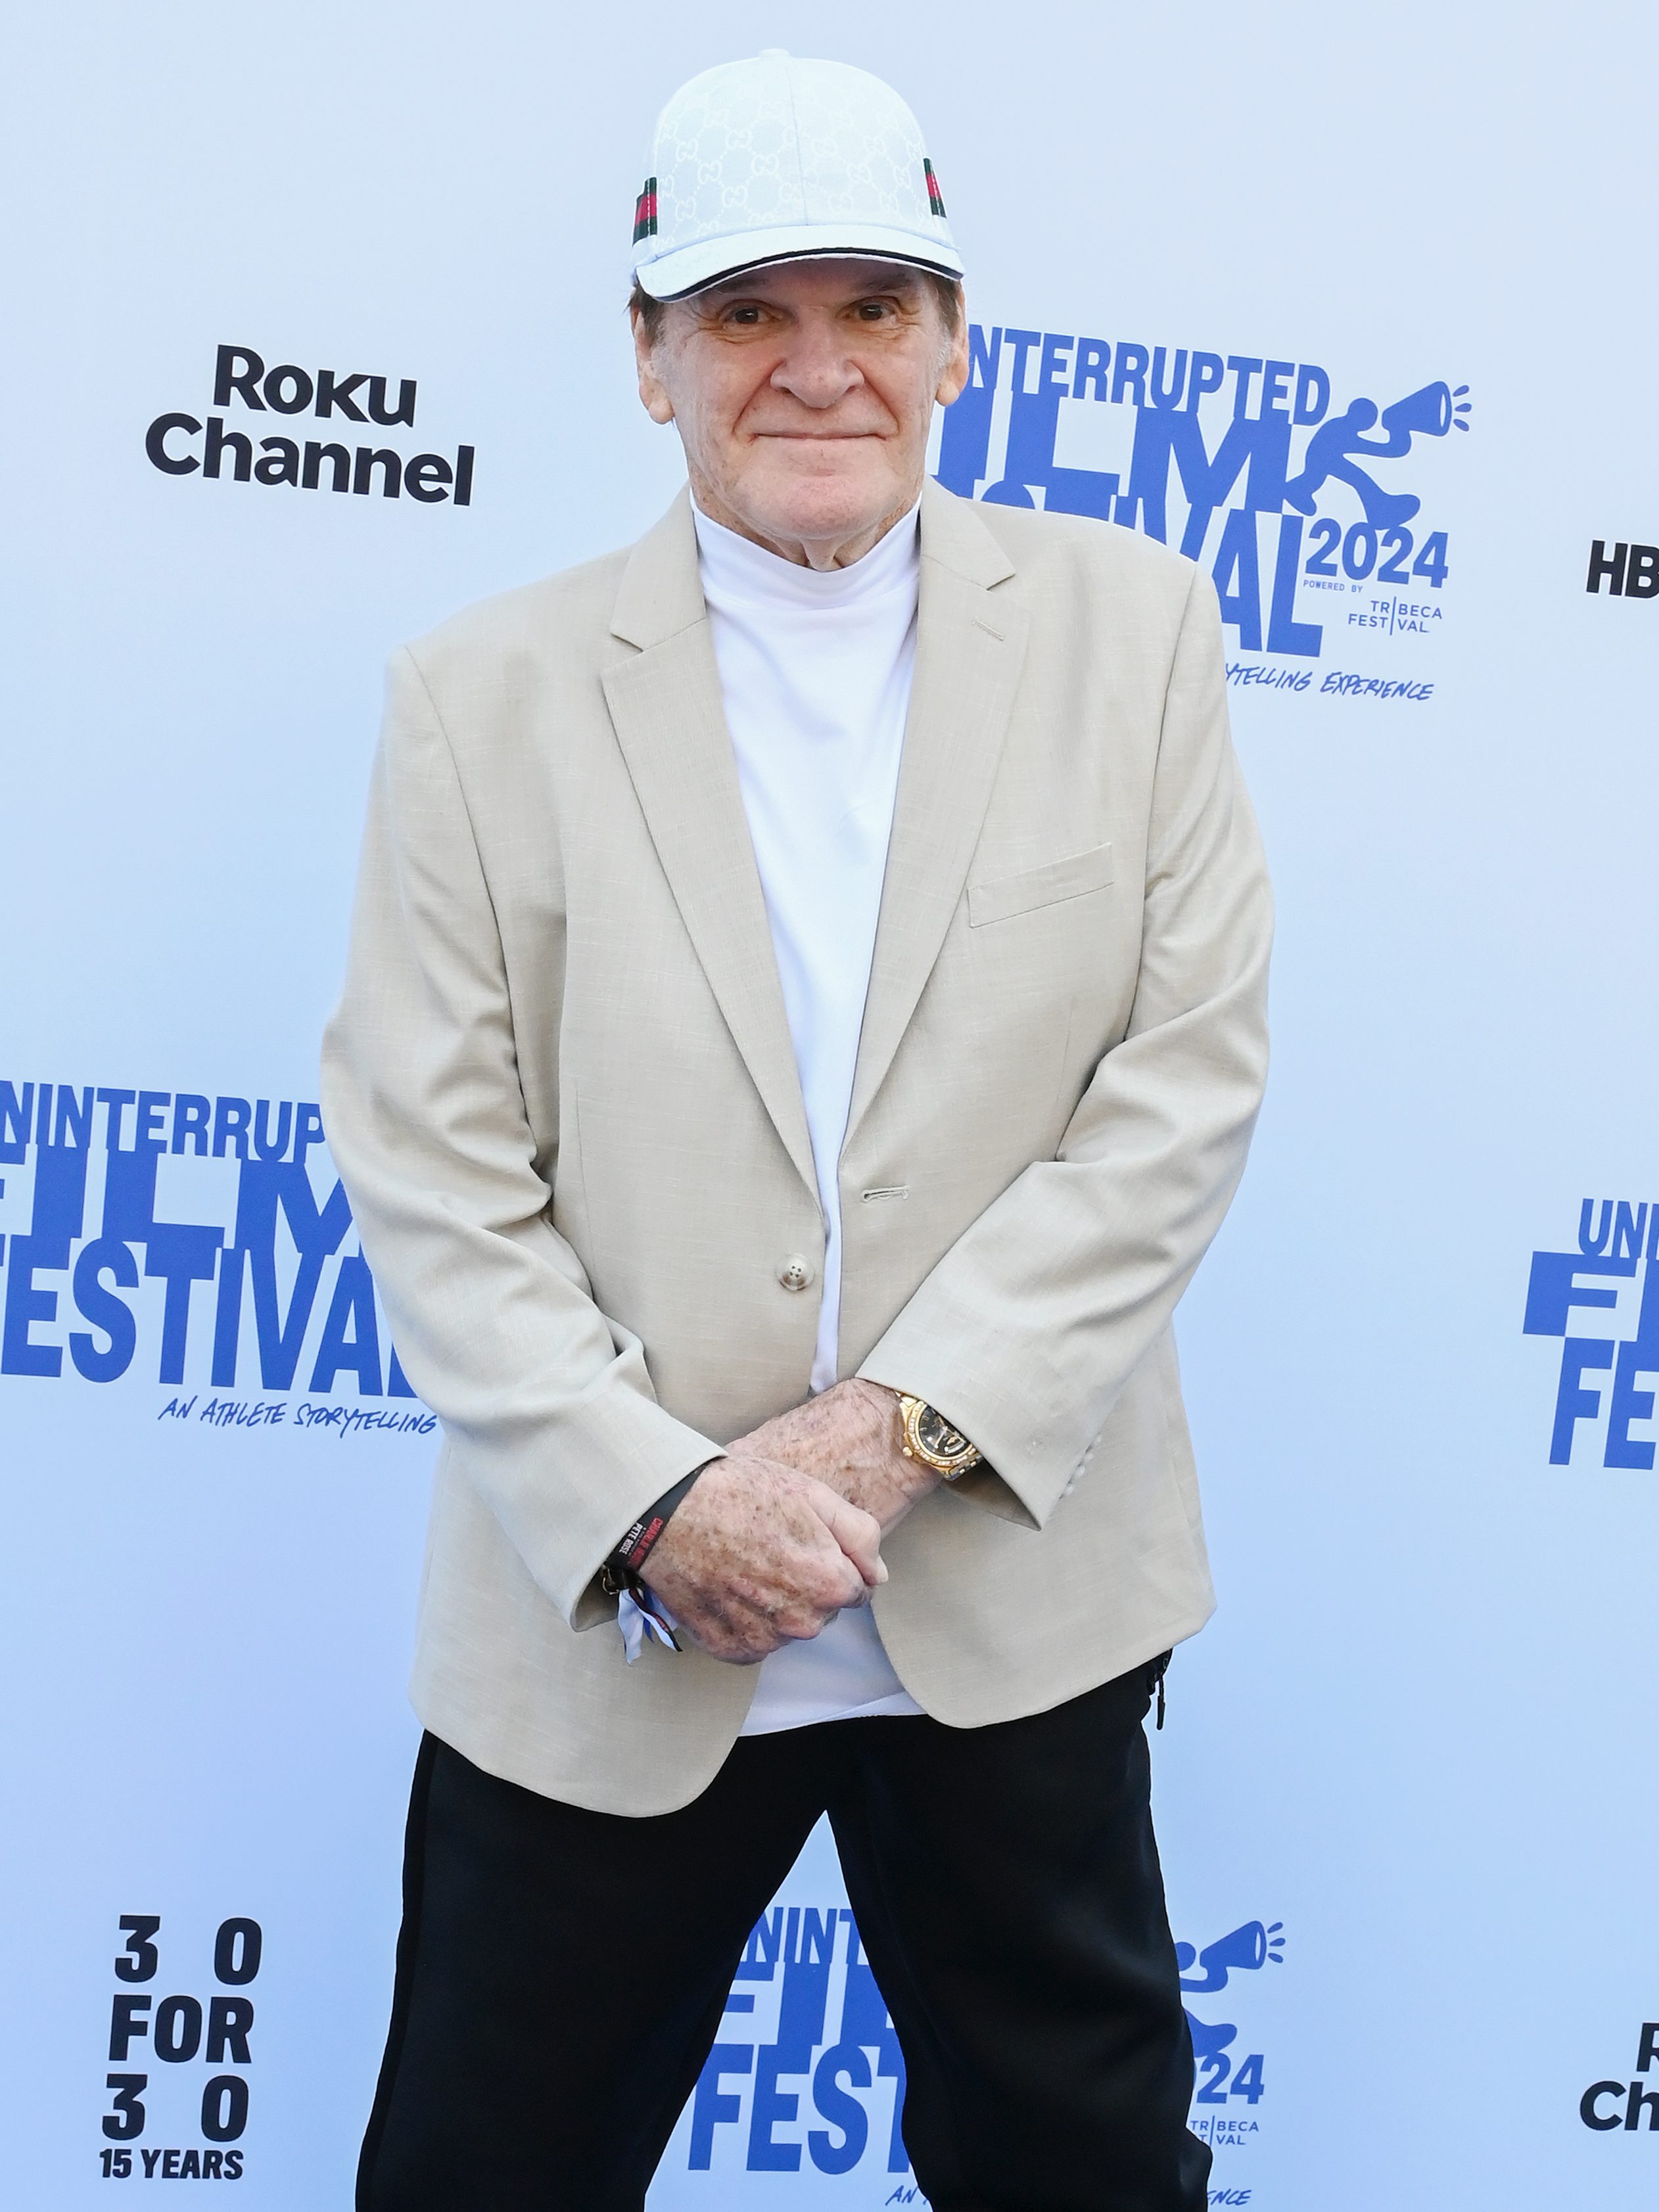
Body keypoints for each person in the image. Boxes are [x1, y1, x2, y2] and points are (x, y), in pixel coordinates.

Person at [322, 49, 1271, 2212]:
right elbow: (433, 1165)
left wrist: (891, 1438)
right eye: (746, 311)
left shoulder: (1133, 634)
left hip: (1012, 1595)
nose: (816, 367)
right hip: (607, 1618)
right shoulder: (476, 698)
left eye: (872, 306)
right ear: (648, 358)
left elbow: (1180, 1085)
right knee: (481, 2176)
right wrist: (664, 1502)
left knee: (1083, 2178)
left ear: (955, 341)